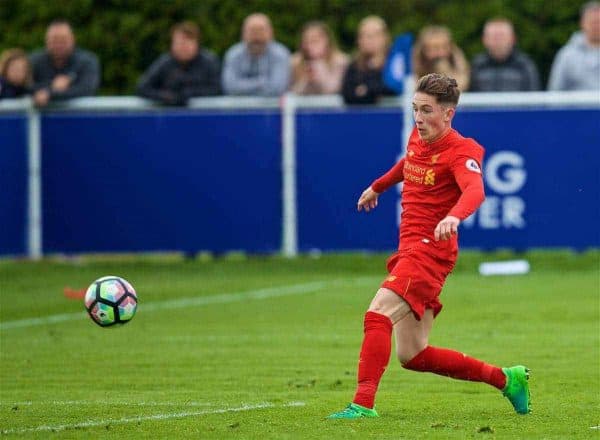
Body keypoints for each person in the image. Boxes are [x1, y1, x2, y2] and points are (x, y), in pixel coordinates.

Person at [328, 73, 530, 419]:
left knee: (377, 314)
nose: (418, 118)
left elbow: (475, 190)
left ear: (448, 114)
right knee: (413, 354)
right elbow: (408, 163)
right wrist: (377, 187)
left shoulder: (460, 150)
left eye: (427, 111)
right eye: (415, 110)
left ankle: (362, 405)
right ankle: (506, 379)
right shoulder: (418, 135)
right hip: (410, 248)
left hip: (430, 251)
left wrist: (454, 216)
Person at [136, 21, 220, 105]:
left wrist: (188, 94)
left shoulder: (209, 62)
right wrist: (166, 96)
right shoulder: (165, 62)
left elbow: (216, 88)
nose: (183, 47)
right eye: (179, 43)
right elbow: (142, 87)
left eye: (187, 42)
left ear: (197, 43)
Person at [29, 19, 100, 107]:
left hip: (79, 116)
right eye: (54, 40)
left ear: (73, 40)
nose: (58, 44)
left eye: (63, 40)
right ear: (46, 41)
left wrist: (50, 94)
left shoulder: (87, 61)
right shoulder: (34, 61)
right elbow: (24, 87)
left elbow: (87, 89)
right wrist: (52, 86)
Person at [222, 13, 290, 96]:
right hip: (238, 107)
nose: (257, 36)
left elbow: (277, 88)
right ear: (243, 34)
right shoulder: (233, 54)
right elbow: (230, 87)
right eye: (252, 31)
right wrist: (262, 82)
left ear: (271, 33)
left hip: (271, 107)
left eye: (261, 30)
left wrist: (243, 86)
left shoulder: (280, 54)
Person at [470, 18, 540, 91]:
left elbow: (534, 96)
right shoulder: (477, 65)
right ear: (484, 39)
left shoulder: (524, 65)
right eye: (494, 37)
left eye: (501, 36)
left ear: (513, 39)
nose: (498, 41)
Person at [341, 15, 396, 104]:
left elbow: (393, 88)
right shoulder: (354, 65)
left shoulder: (395, 62)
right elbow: (347, 93)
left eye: (374, 35)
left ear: (385, 37)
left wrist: (366, 89)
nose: (368, 40)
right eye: (364, 35)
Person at [548, 1, 600, 91]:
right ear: (582, 23)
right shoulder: (567, 56)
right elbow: (555, 91)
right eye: (592, 22)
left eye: (598, 22)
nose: (596, 26)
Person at [290, 21, 349, 95]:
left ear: (327, 41)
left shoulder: (341, 61)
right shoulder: (296, 62)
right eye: (306, 41)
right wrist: (306, 80)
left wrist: (319, 68)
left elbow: (335, 90)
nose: (310, 46)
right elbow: (291, 93)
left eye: (315, 41)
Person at [412, 26, 470, 91]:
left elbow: (460, 86)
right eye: (434, 48)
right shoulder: (413, 69)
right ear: (424, 50)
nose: (440, 53)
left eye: (444, 47)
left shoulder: (458, 63)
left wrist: (446, 72)